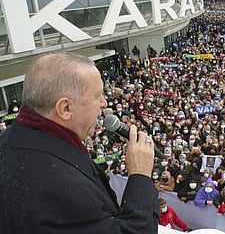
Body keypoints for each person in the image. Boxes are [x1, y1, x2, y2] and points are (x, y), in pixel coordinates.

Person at [0, 52, 159, 233]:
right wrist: (140, 176)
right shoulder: (62, 188)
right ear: (65, 108)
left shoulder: (9, 139)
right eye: (97, 96)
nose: (104, 103)